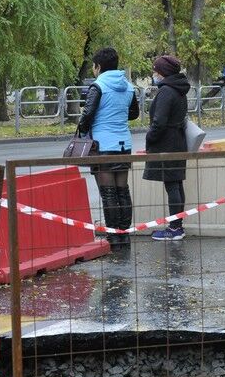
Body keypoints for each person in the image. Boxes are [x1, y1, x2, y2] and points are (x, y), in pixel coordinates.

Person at [78, 47, 139, 246]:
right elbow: (133, 114)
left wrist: (83, 129)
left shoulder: (98, 86)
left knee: (108, 193)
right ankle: (124, 234)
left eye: (94, 67)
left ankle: (113, 236)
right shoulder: (129, 87)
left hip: (102, 145)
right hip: (124, 144)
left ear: (98, 67)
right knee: (122, 190)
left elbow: (87, 115)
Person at [143, 55, 191, 241]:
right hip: (178, 142)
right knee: (176, 183)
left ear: (163, 73)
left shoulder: (166, 92)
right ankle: (177, 225)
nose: (154, 74)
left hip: (166, 144)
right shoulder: (179, 90)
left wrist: (150, 137)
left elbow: (159, 122)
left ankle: (174, 228)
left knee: (172, 185)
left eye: (156, 71)